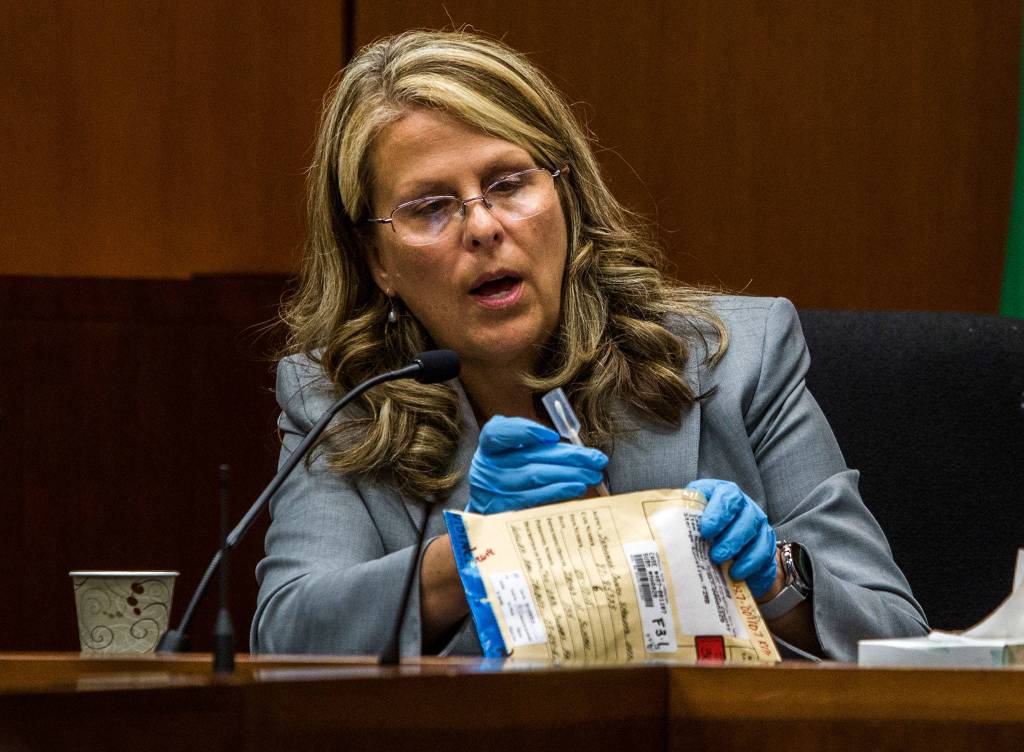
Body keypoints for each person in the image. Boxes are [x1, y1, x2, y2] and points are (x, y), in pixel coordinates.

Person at [250, 29, 927, 662]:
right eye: (430, 207)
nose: (483, 226)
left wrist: (778, 575)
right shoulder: (343, 398)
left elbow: (895, 635)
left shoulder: (737, 357)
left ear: (565, 197)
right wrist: (468, 556)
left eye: (508, 184)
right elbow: (287, 636)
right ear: (378, 261)